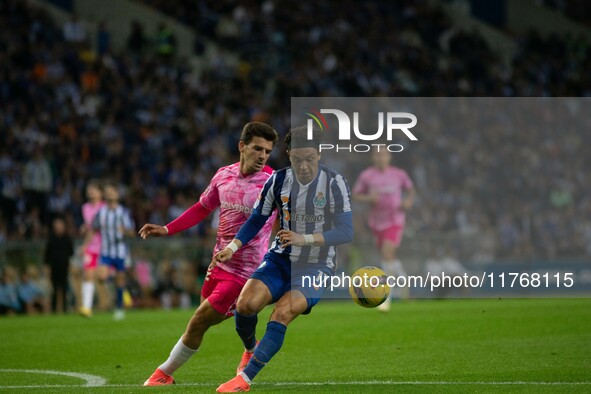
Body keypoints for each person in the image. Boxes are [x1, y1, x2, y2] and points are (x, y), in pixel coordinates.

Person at [214, 127, 353, 393]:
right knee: (244, 305)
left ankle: (244, 379)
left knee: (283, 312)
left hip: (316, 265)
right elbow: (257, 218)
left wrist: (304, 239)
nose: (303, 166)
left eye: (310, 159)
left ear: (319, 154)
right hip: (280, 258)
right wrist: (233, 246)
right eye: (297, 159)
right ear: (289, 155)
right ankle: (249, 349)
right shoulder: (278, 181)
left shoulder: (335, 183)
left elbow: (346, 231)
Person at [140, 122, 279, 386]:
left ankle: (163, 374)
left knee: (199, 321)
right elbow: (201, 208)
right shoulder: (223, 175)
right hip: (218, 263)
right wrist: (167, 229)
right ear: (242, 146)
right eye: (257, 149)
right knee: (211, 312)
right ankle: (250, 347)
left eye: (268, 152)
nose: (262, 156)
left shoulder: (271, 182)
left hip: (246, 273)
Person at [352, 149, 415, 311]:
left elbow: (410, 189)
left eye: (384, 155)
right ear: (373, 157)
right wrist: (368, 198)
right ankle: (403, 282)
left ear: (389, 157)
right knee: (389, 257)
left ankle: (387, 297)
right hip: (376, 222)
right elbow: (356, 194)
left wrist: (408, 201)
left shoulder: (398, 174)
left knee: (387, 254)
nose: (381, 158)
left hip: (395, 220)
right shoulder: (367, 176)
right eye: (378, 155)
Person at [91, 182, 135, 320]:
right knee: (101, 277)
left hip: (120, 252)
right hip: (106, 251)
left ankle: (119, 308)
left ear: (117, 195)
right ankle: (119, 288)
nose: (110, 194)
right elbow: (93, 227)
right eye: (108, 192)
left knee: (120, 280)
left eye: (112, 192)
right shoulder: (101, 212)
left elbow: (132, 232)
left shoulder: (122, 212)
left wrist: (125, 231)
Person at [79, 180, 106, 317]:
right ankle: (86, 307)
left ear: (101, 192)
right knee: (88, 274)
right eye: (89, 189)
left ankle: (124, 291)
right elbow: (90, 226)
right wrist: (84, 227)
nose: (91, 192)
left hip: (105, 246)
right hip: (91, 247)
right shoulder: (85, 208)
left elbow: (96, 228)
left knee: (103, 276)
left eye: (94, 189)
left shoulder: (105, 207)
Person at [44, 217, 74, 313]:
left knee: (64, 289)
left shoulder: (67, 239)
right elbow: (47, 255)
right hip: (54, 267)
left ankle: (65, 308)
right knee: (55, 289)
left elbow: (71, 253)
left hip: (64, 267)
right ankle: (54, 309)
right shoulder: (51, 239)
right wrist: (47, 267)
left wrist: (70, 266)